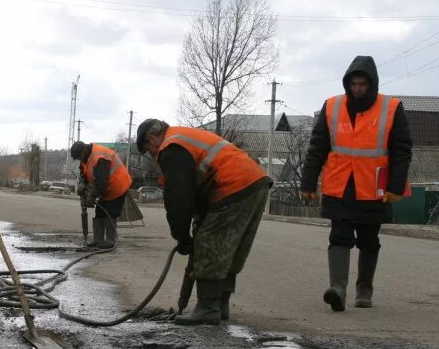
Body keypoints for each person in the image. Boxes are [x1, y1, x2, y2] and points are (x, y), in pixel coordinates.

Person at [300, 56, 412, 311]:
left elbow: (402, 149)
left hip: (373, 187)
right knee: (339, 236)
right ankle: (337, 289)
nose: (357, 88)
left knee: (368, 239)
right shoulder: (332, 106)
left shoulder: (392, 107)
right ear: (347, 83)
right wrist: (307, 182)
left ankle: (364, 290)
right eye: (354, 83)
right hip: (340, 184)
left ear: (371, 84)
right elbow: (317, 147)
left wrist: (396, 186)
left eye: (362, 84)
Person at [136, 118, 271, 325]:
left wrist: (181, 236)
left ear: (152, 138)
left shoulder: (171, 148)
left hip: (233, 185)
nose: (152, 154)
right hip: (255, 183)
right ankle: (219, 305)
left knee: (209, 243)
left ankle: (207, 308)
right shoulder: (184, 137)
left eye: (148, 149)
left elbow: (180, 197)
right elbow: (199, 185)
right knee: (228, 247)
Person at [69, 141, 133, 249]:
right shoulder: (85, 157)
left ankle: (110, 240)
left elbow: (101, 181)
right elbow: (83, 173)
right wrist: (82, 183)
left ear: (84, 151)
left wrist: (91, 196)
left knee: (110, 211)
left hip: (118, 185)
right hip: (107, 188)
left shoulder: (100, 157)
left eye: (79, 157)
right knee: (100, 212)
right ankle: (98, 239)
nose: (80, 159)